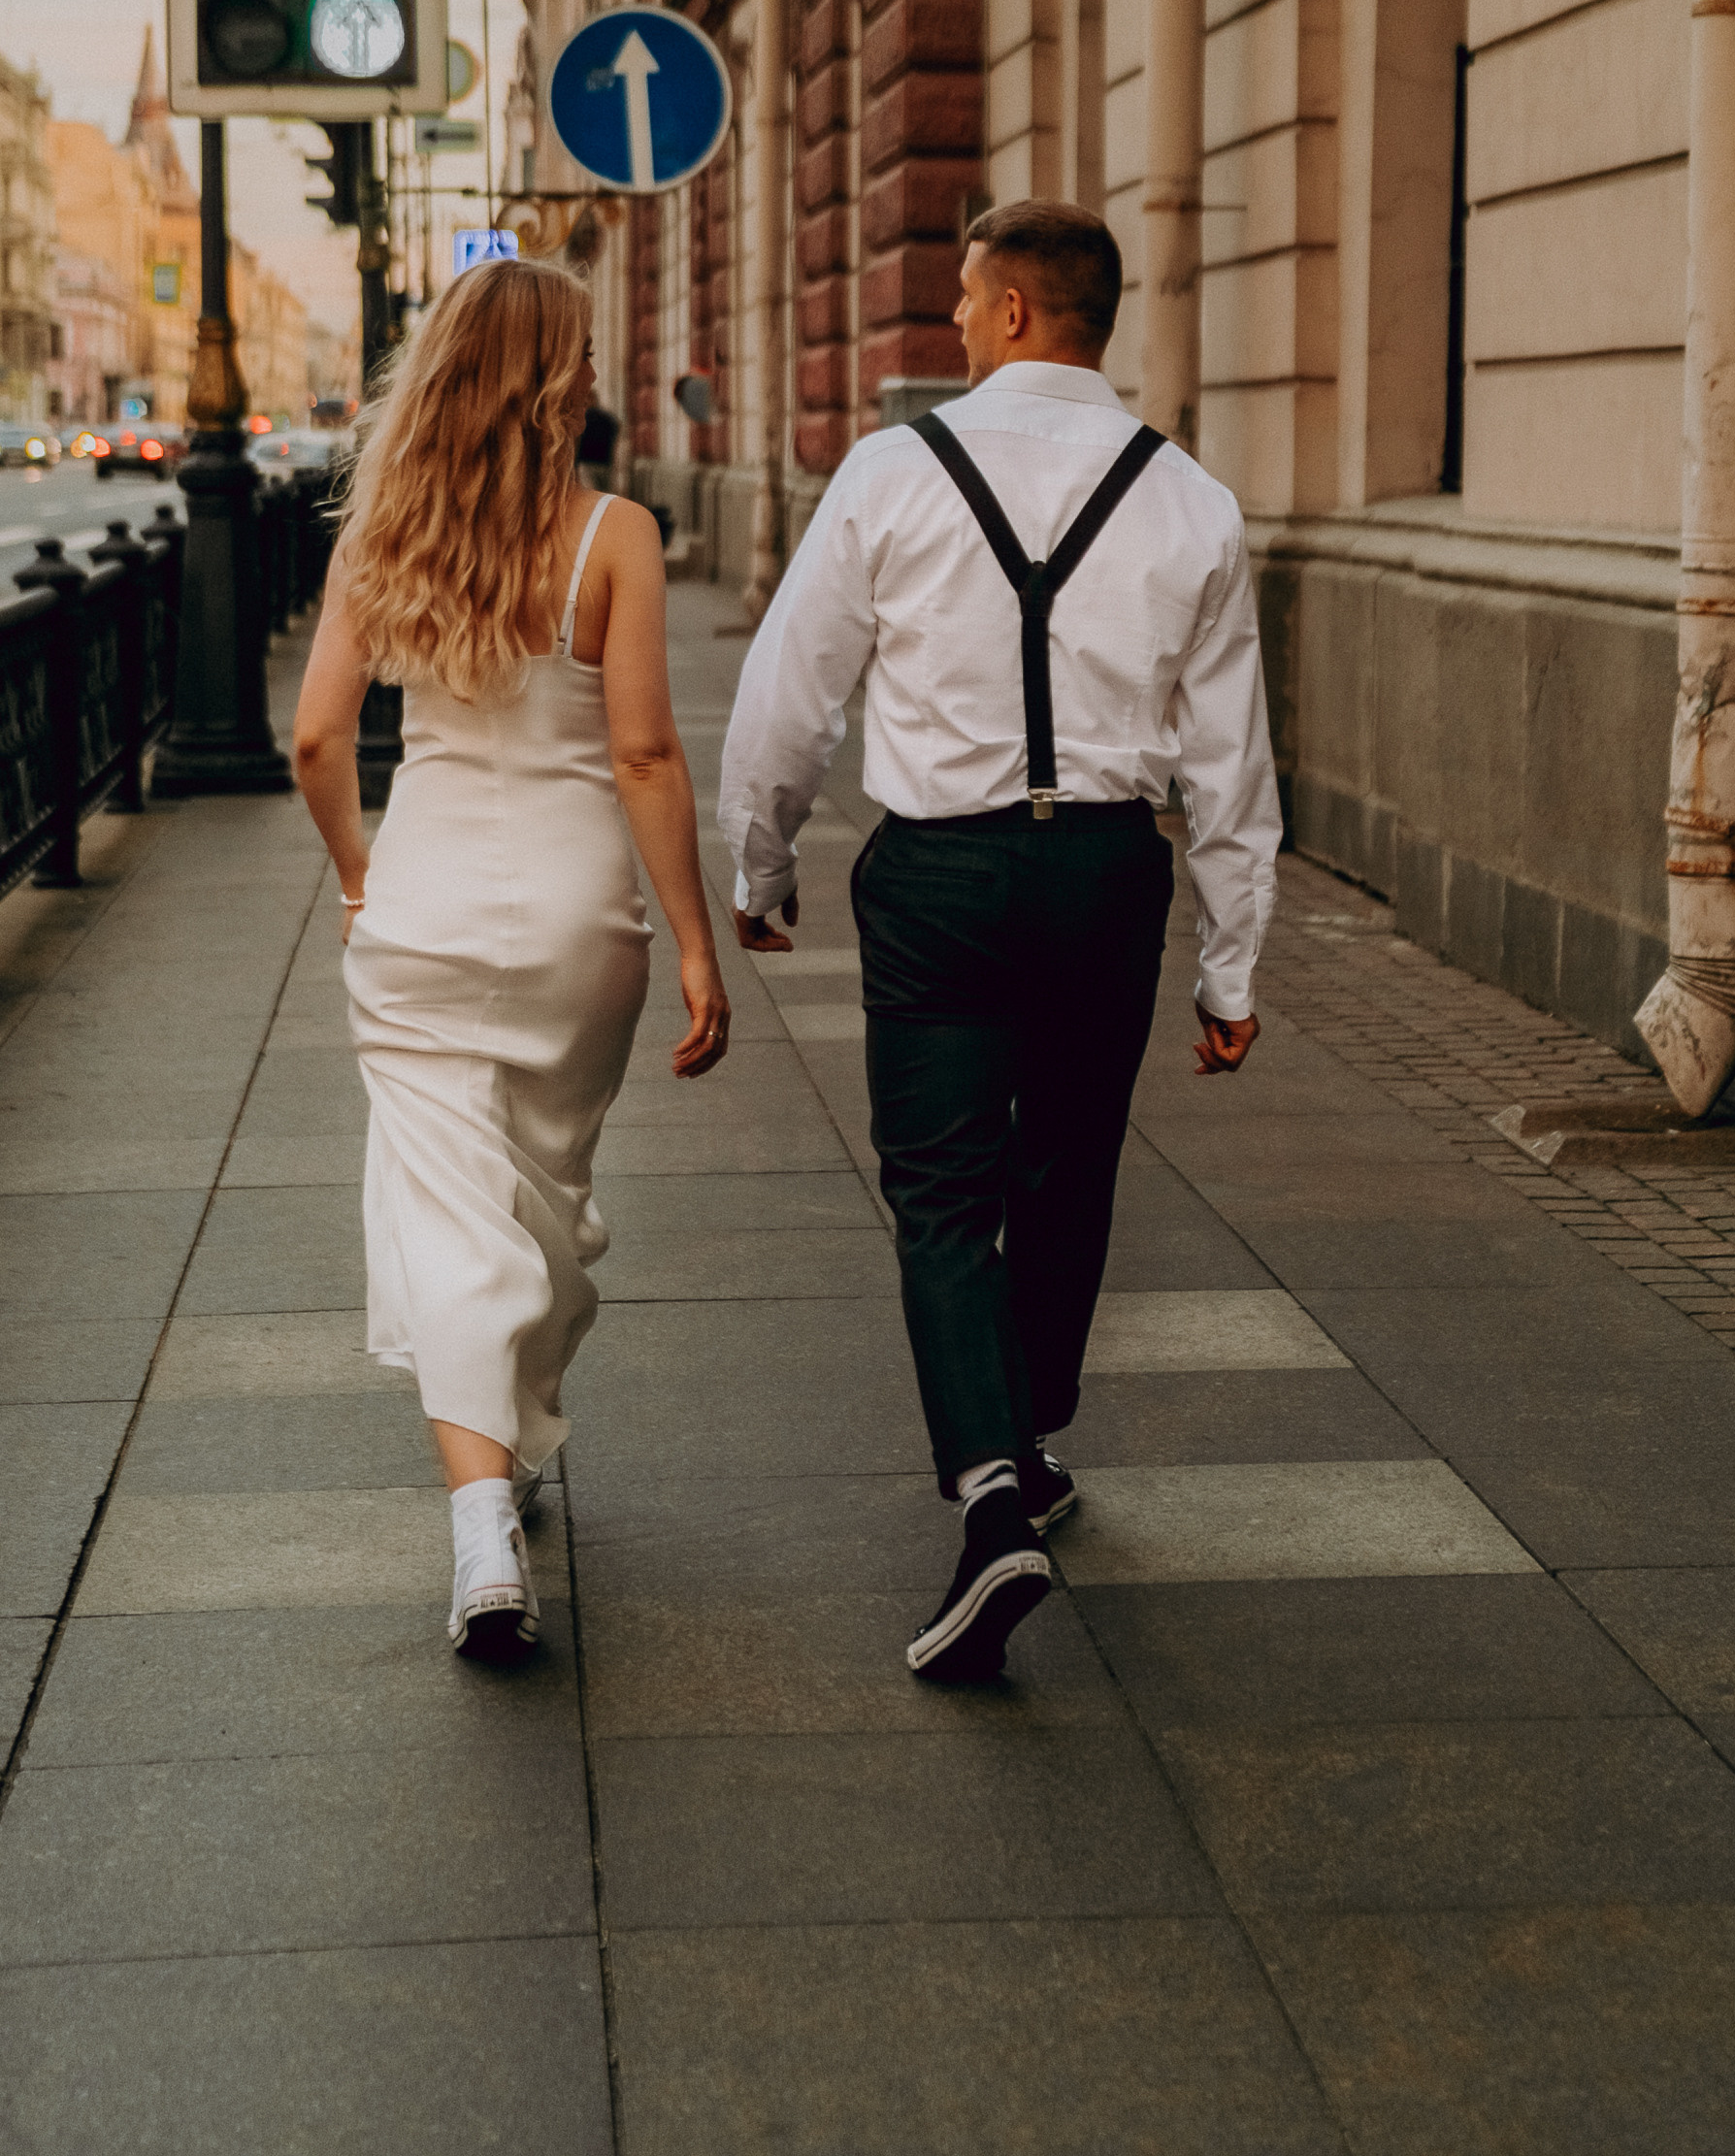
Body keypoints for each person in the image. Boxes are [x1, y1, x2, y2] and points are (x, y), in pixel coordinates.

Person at [717, 199, 1281, 1682]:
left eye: (967, 298)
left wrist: (759, 865)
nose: (955, 323)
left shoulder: (893, 474)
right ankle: (1024, 1447)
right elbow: (1233, 764)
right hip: (1110, 873)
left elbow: (790, 692)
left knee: (945, 1189)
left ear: (1020, 311)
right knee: (1068, 1164)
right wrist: (1234, 963)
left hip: (940, 881)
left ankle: (986, 1500)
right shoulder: (1192, 501)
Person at [294, 258, 731, 1663]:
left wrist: (362, 876)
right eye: (585, 353)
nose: (597, 373)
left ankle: (487, 1513)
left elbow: (315, 742)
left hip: (419, 903)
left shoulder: (383, 529)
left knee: (447, 1209)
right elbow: (647, 753)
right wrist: (697, 944)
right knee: (547, 1204)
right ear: (553, 376)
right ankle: (497, 1484)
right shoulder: (617, 535)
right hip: (574, 913)